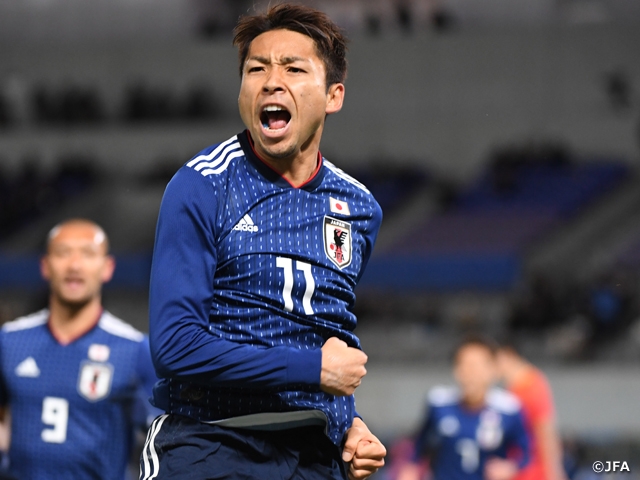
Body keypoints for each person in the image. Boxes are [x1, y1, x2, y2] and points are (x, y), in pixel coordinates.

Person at [141, 3, 386, 480]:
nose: (272, 81)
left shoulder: (358, 207)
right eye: (256, 69)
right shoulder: (203, 185)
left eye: (293, 68)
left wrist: (349, 423)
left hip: (312, 453)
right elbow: (174, 345)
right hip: (210, 441)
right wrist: (312, 369)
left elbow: (324, 332)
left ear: (333, 95)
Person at [0, 219, 159, 480]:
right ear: (45, 266)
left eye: (87, 253)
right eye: (63, 253)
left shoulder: (135, 350)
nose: (74, 265)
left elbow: (162, 434)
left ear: (108, 267)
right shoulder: (9, 341)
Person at [398, 336, 530, 480]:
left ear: (493, 370)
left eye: (477, 366)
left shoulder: (509, 409)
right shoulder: (439, 403)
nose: (471, 372)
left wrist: (511, 467)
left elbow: (527, 451)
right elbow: (421, 443)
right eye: (464, 364)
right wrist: (411, 469)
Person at [496, 341, 566, 480]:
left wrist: (554, 472)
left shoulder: (531, 385)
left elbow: (545, 429)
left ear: (508, 354)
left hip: (533, 470)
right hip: (516, 468)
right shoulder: (512, 390)